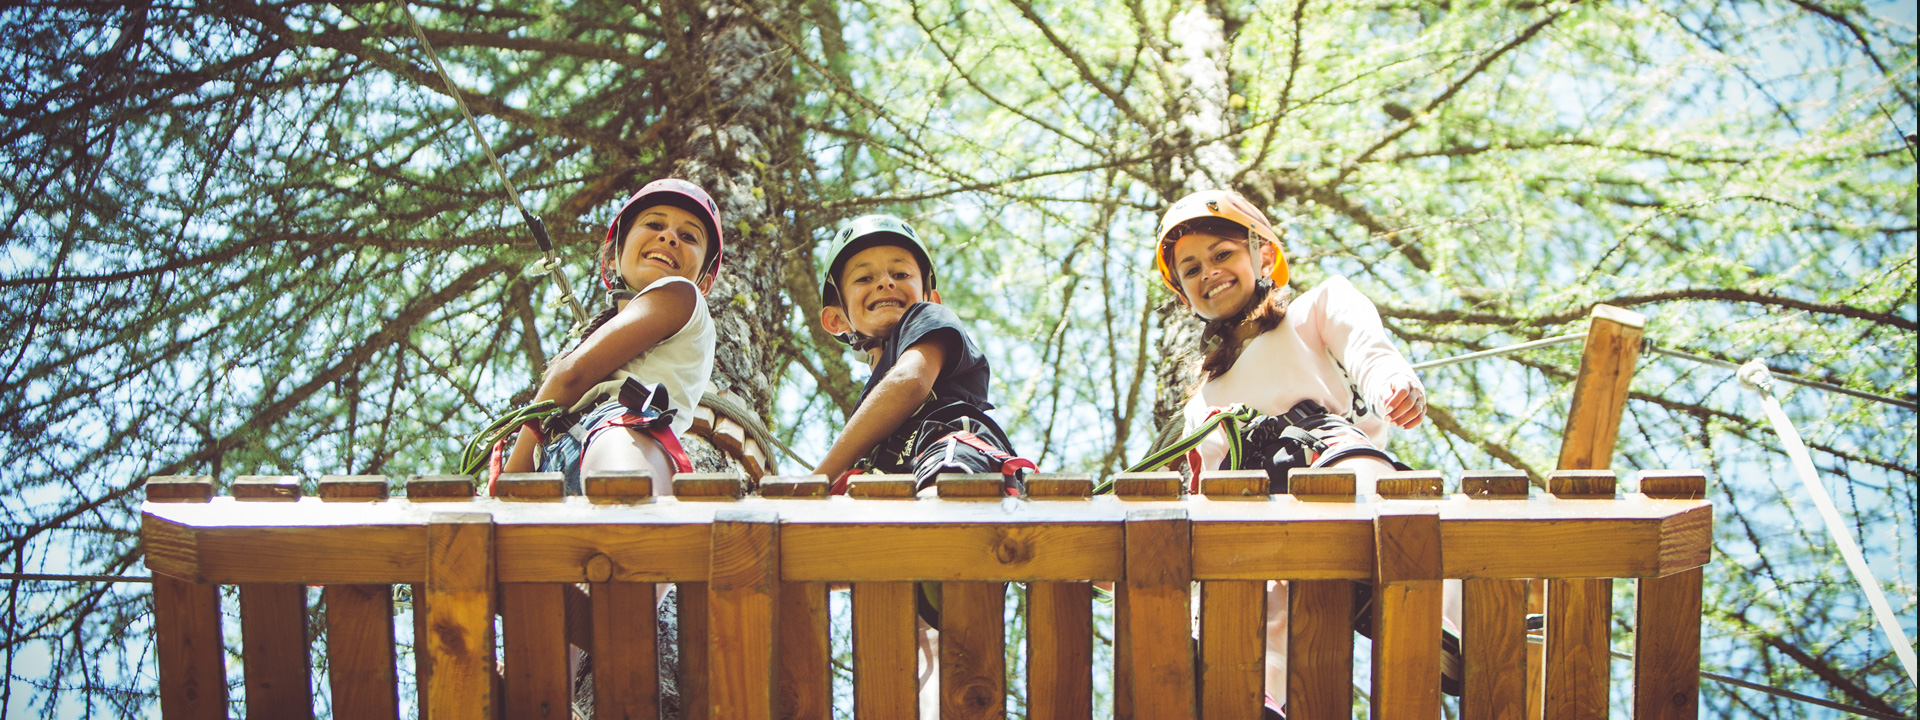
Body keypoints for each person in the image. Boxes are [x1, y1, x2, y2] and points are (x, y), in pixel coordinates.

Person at [1147, 189, 1455, 716]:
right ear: (1184, 296)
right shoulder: (1198, 409)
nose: (1209, 273)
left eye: (1223, 254)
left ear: (1263, 255)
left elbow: (1367, 350)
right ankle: (1252, 694)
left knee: (1349, 473)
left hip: (1328, 470)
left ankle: (1449, 622)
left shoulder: (1317, 308)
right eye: (1191, 268)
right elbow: (1185, 490)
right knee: (1243, 581)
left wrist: (1393, 387)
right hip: (1251, 524)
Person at [809, 213, 1031, 715]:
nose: (885, 281)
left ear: (928, 295)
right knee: (921, 643)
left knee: (931, 516)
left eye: (900, 272)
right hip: (905, 508)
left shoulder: (927, 322)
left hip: (953, 453)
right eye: (863, 277)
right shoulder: (875, 429)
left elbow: (910, 382)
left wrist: (818, 480)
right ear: (837, 320)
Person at [498, 178, 721, 497]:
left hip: (621, 428)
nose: (668, 236)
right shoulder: (616, 325)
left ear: (704, 282)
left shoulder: (680, 293)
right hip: (563, 453)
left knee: (625, 500)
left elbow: (571, 375)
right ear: (613, 257)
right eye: (654, 223)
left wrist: (513, 478)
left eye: (687, 236)